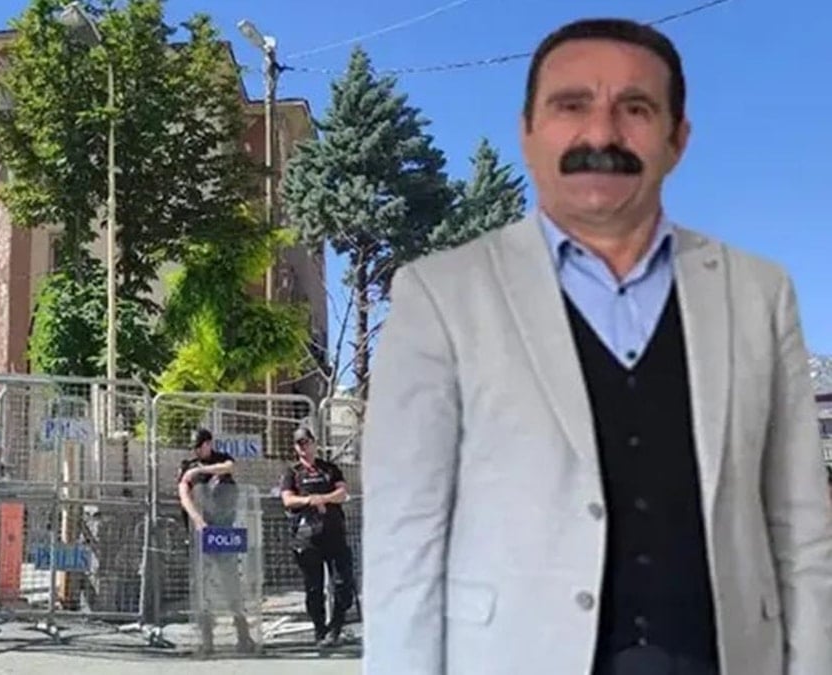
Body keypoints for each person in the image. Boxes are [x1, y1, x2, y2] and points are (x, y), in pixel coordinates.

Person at [362, 17, 832, 675]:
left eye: (635, 109)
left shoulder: (759, 293)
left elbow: (802, 530)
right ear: (528, 132)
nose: (602, 134)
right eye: (571, 105)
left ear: (678, 139)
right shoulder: (440, 296)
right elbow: (403, 540)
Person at [176, 428, 254, 655]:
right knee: (202, 588)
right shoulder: (187, 467)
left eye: (200, 446)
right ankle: (207, 639)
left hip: (225, 532)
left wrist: (202, 470)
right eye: (194, 447)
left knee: (231, 585)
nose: (197, 451)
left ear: (208, 444)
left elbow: (229, 467)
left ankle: (243, 636)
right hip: (202, 534)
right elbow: (184, 494)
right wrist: (198, 520)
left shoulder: (220, 460)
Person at [278, 426, 355, 647]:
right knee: (314, 587)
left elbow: (342, 493)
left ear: (314, 443)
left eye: (307, 442)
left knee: (343, 583)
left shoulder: (329, 469)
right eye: (299, 443)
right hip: (307, 537)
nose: (304, 447)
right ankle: (320, 630)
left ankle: (336, 627)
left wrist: (323, 498)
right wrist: (309, 500)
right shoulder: (292, 473)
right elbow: (288, 500)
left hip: (334, 534)